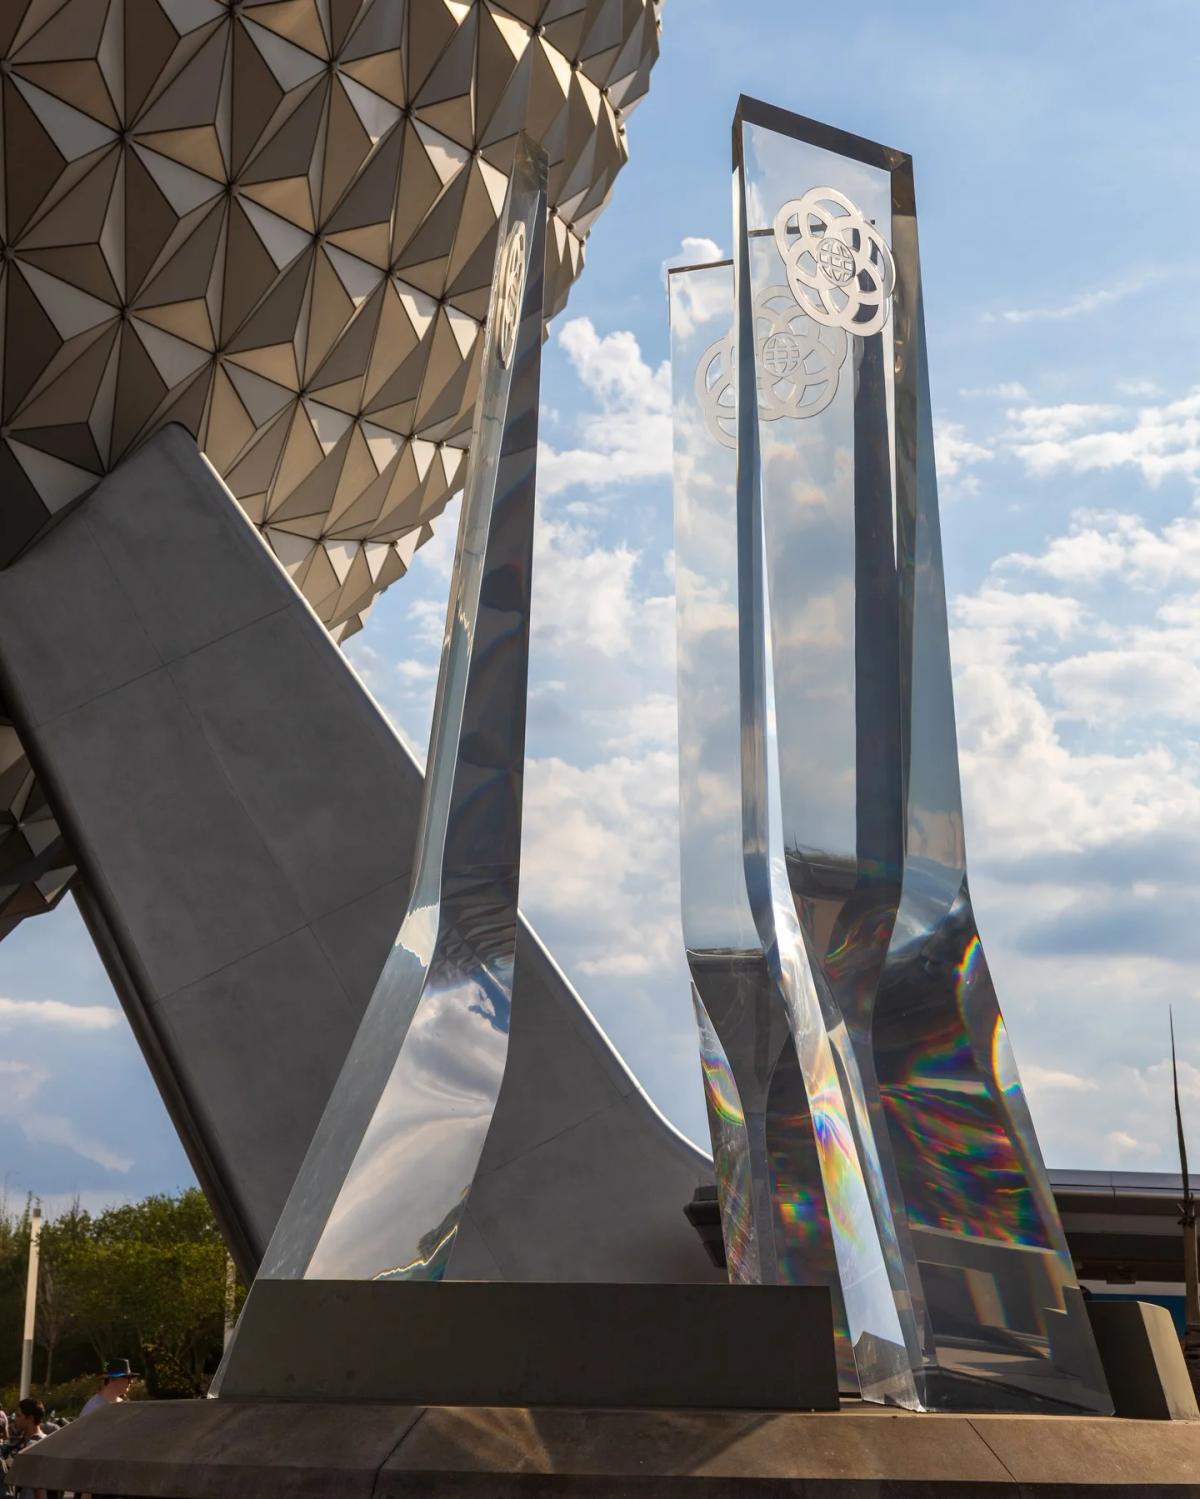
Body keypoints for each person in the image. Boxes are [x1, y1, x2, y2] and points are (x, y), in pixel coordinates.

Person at [1, 1396, 53, 1499]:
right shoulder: (23, 1441)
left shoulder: (38, 1444)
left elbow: (39, 1486)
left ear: (30, 1418)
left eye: (19, 1416)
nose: (15, 1419)